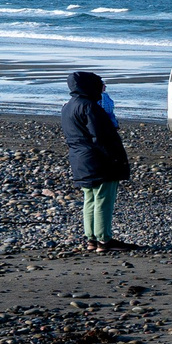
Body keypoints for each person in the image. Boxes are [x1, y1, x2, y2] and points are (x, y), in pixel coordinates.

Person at [59, 71, 132, 252]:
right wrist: (116, 158)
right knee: (102, 200)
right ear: (90, 86)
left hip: (80, 159)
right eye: (100, 84)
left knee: (90, 199)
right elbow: (101, 137)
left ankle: (91, 240)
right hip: (98, 159)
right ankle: (104, 240)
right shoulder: (90, 107)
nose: (102, 87)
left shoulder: (67, 106)